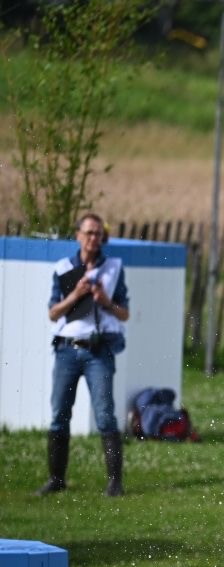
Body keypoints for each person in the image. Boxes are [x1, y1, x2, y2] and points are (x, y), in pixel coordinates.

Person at [38, 212, 130, 497]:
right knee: (59, 415)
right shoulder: (64, 268)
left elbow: (124, 313)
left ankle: (114, 483)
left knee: (105, 415)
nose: (93, 238)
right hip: (67, 349)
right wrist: (76, 295)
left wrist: (104, 301)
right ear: (77, 235)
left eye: (97, 233)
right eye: (88, 233)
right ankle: (56, 479)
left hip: (98, 350)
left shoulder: (114, 268)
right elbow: (53, 313)